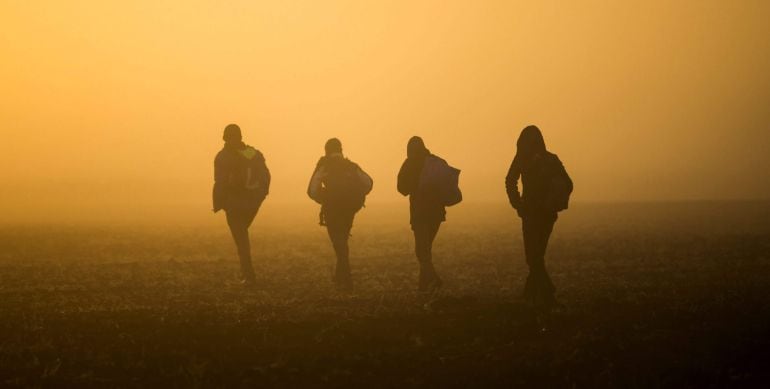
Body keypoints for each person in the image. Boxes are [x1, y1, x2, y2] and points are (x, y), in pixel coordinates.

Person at [505, 125, 572, 309]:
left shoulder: (523, 159)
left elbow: (509, 180)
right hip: (546, 214)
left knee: (533, 257)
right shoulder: (551, 160)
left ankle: (547, 293)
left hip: (533, 214)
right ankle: (531, 293)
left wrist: (518, 204)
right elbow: (568, 183)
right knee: (537, 255)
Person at [307, 138, 373, 290]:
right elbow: (368, 183)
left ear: (326, 150)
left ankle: (346, 278)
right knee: (342, 240)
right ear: (341, 150)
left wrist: (324, 198)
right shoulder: (350, 166)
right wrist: (355, 195)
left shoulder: (324, 166)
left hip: (332, 209)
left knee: (339, 243)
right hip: (349, 209)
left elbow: (312, 190)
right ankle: (340, 277)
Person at [213, 124, 271, 286]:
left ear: (225, 137)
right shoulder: (250, 152)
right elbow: (265, 175)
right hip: (252, 203)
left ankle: (249, 275)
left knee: (241, 240)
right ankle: (248, 274)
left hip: (234, 204)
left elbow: (219, 182)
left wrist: (222, 203)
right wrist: (261, 195)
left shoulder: (222, 157)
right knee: (242, 235)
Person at [397, 136, 450, 292]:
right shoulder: (437, 162)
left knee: (422, 251)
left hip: (419, 213)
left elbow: (401, 188)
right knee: (425, 250)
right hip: (436, 214)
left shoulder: (410, 163)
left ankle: (434, 279)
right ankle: (423, 287)